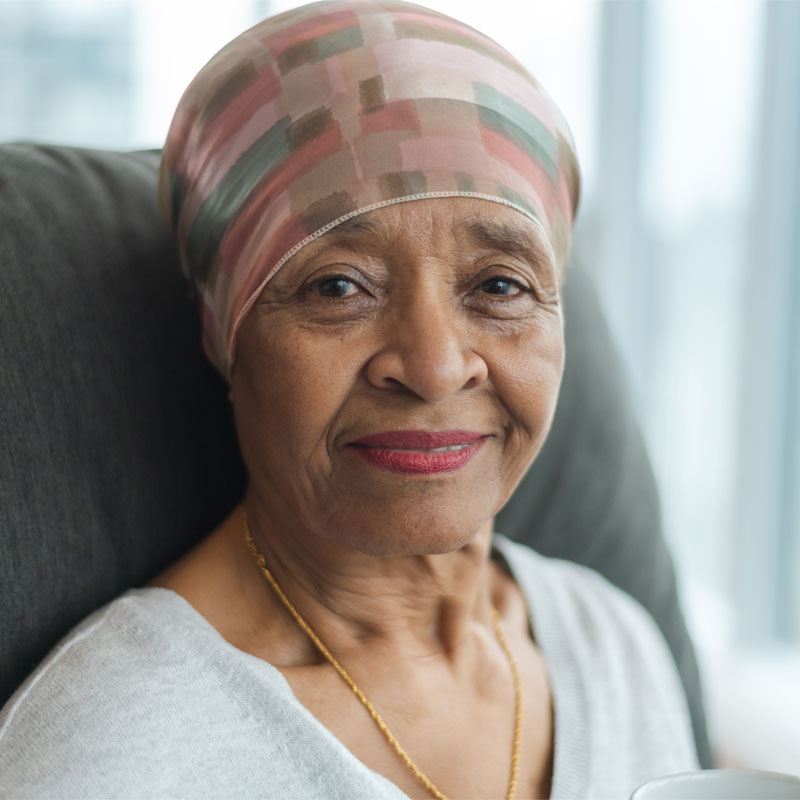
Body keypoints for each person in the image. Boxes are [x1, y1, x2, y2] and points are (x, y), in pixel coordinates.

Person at [0, 1, 698, 797]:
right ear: (225, 335)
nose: (434, 368)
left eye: (500, 285)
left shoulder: (612, 646)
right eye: (339, 286)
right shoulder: (116, 755)